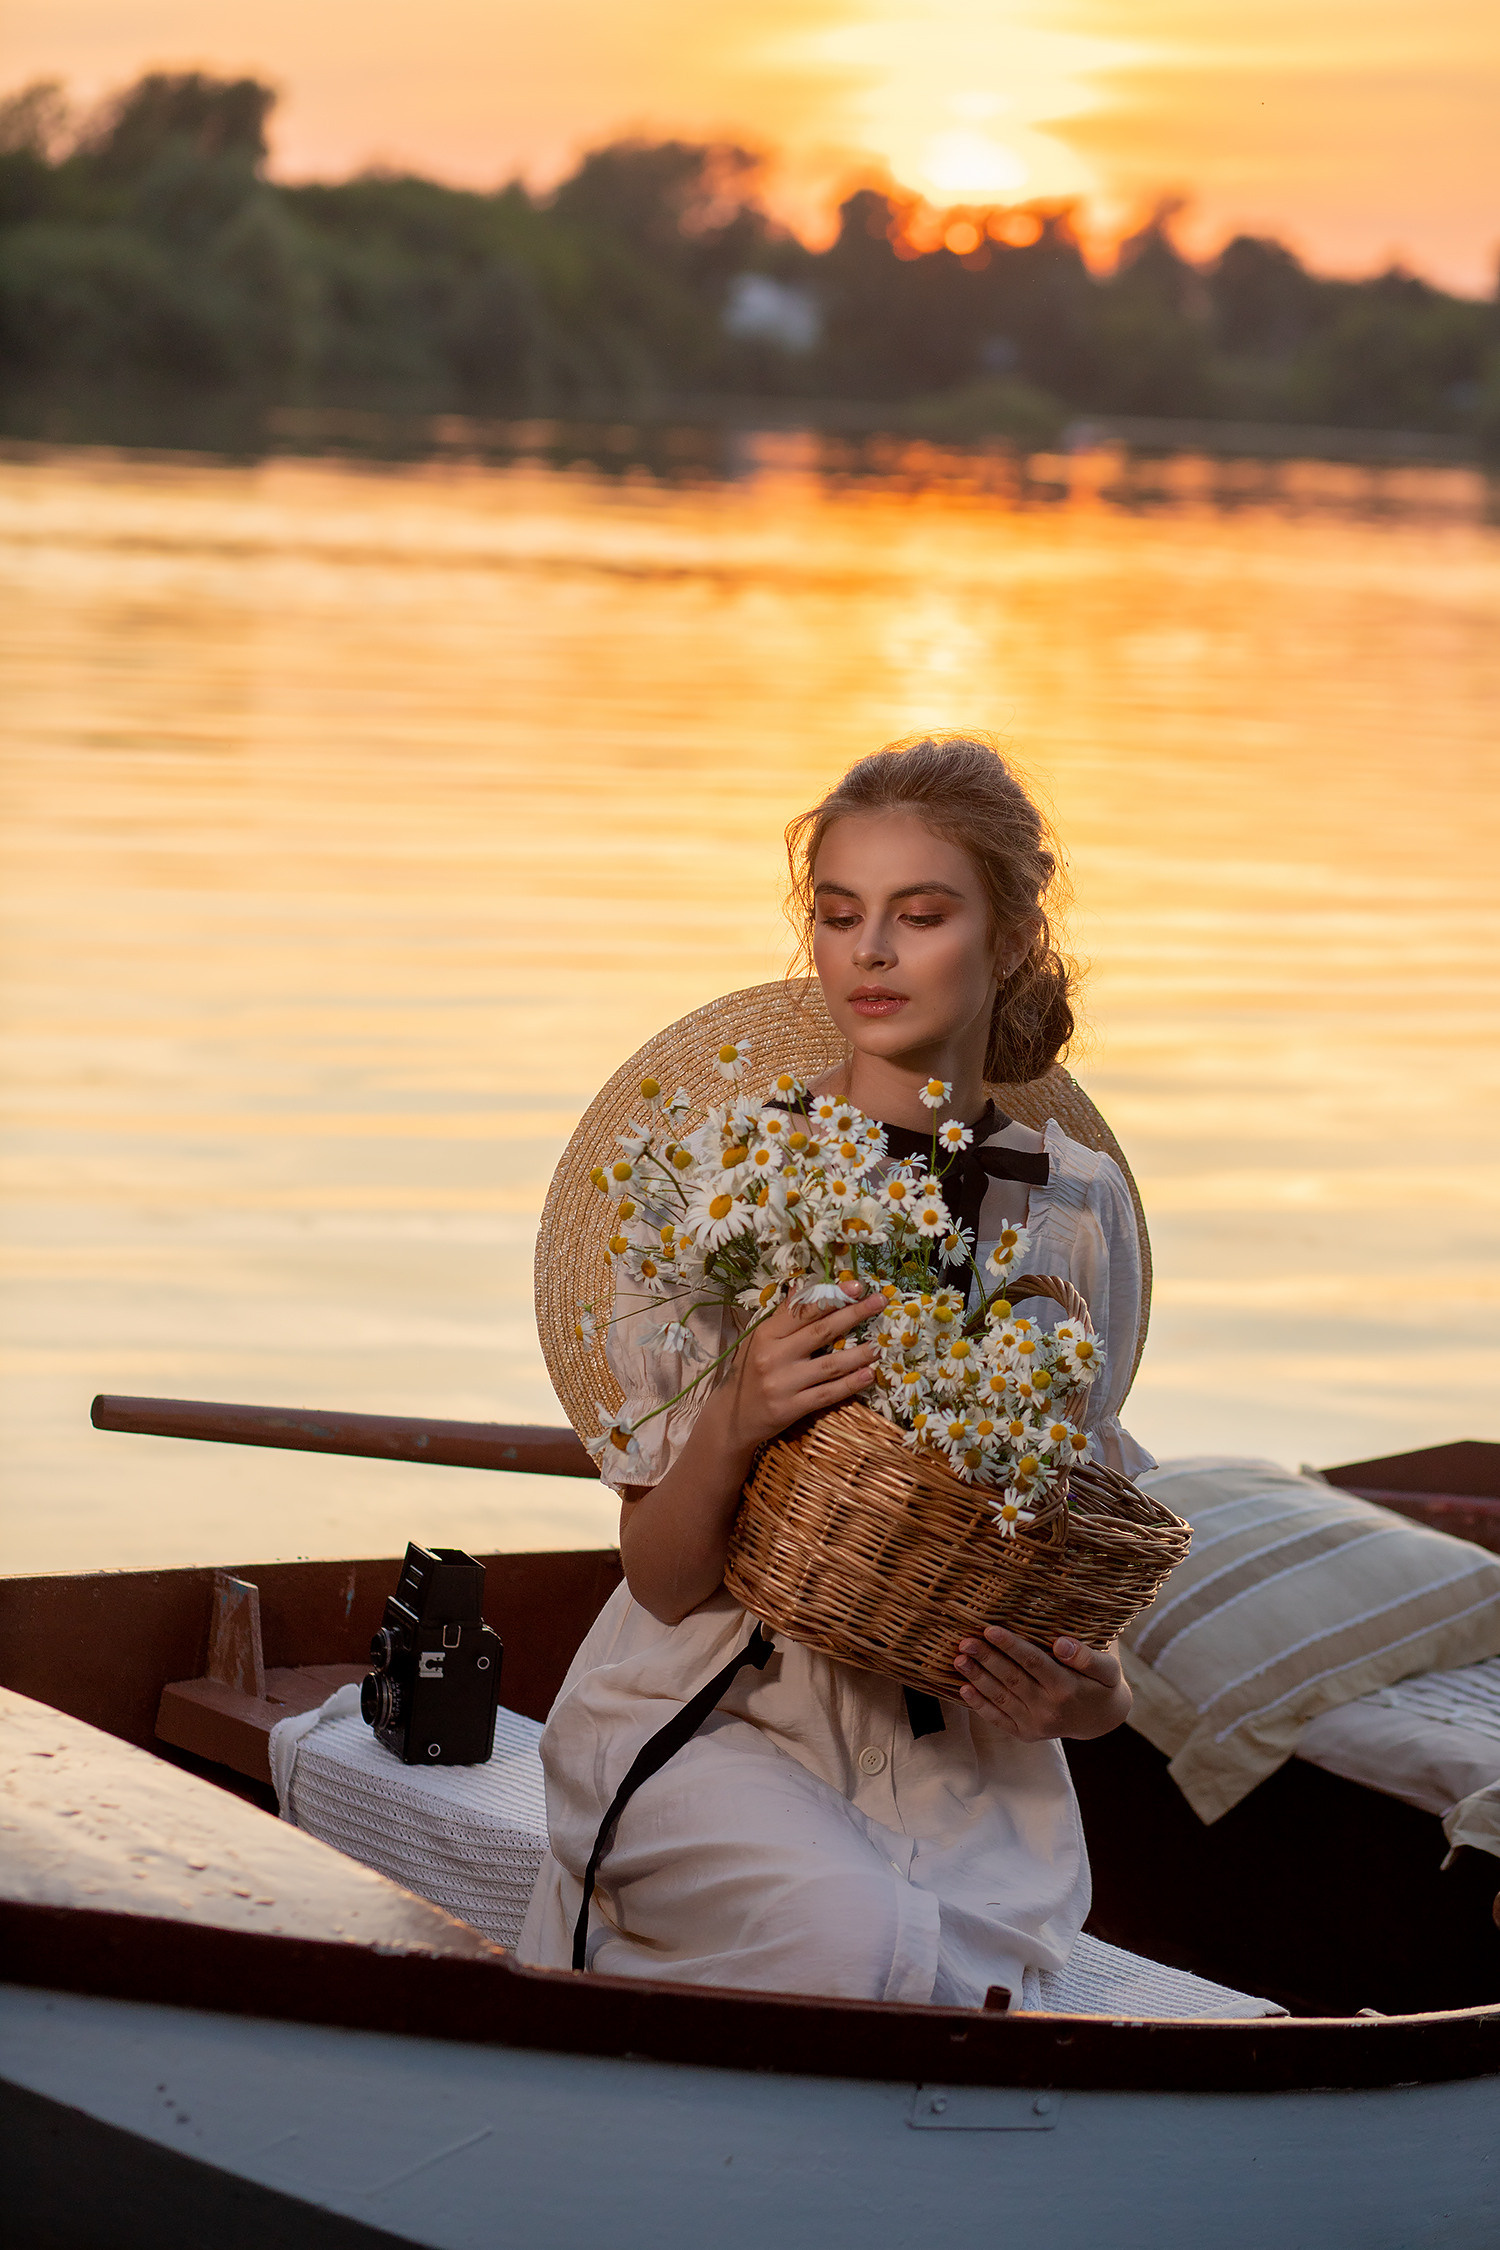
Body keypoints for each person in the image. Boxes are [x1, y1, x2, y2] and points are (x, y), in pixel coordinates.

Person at [517, 732, 1152, 2005]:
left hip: (961, 1763)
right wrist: (735, 1419)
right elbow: (662, 1576)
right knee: (857, 1946)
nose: (869, 953)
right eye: (840, 914)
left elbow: (1062, 1542)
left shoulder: (1079, 1209)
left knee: (943, 1969)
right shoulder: (713, 1182)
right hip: (718, 1715)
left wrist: (1086, 1698)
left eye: (920, 916)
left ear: (1015, 936)